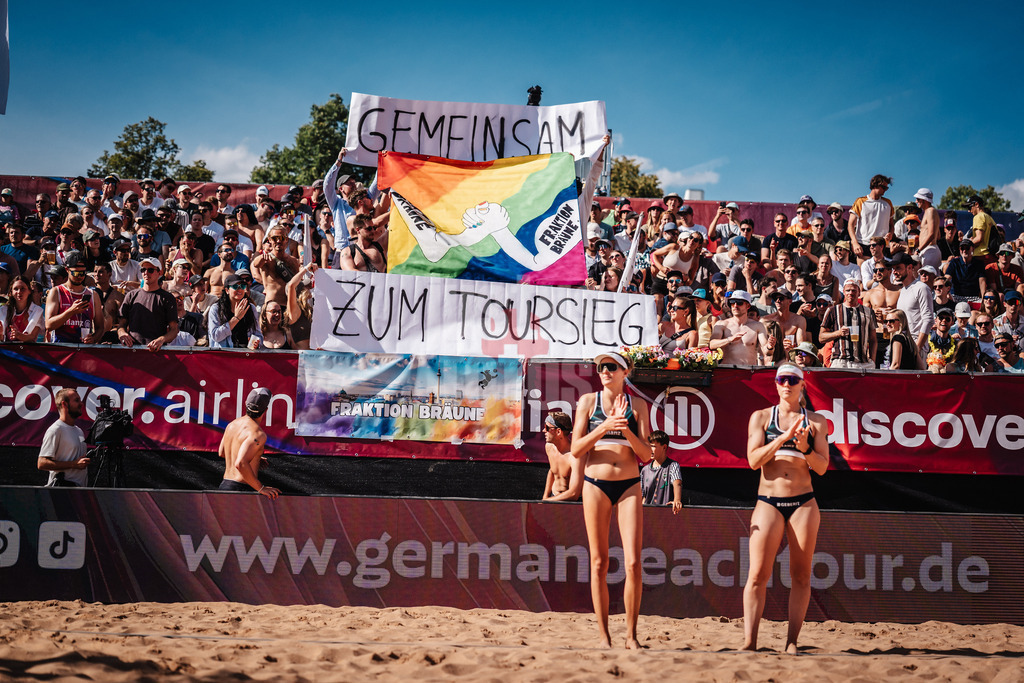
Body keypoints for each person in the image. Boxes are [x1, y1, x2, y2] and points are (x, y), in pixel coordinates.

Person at [743, 363, 829, 654]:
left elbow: (822, 468)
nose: (787, 384)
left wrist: (805, 448)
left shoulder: (816, 422)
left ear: (803, 385)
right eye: (782, 379)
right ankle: (749, 641)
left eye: (793, 380)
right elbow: (753, 461)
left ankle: (792, 642)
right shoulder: (762, 417)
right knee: (757, 575)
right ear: (776, 383)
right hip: (768, 500)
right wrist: (782, 438)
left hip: (803, 502)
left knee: (801, 575)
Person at [568, 351, 651, 649]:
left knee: (632, 563)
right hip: (596, 484)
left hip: (629, 484)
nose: (604, 370)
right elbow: (576, 449)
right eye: (601, 366)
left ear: (624, 372)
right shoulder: (588, 402)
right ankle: (604, 636)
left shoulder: (638, 405)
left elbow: (646, 455)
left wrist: (625, 427)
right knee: (599, 562)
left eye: (611, 366)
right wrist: (604, 426)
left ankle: (631, 636)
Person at [217, 387, 280, 498]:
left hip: (224, 486)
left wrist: (254, 458)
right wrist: (261, 488)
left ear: (246, 404)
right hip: (241, 490)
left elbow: (222, 453)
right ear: (266, 410)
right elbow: (241, 464)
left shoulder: (232, 424)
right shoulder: (257, 434)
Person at [117, 257, 179, 352]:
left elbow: (174, 330)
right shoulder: (131, 295)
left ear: (160, 273)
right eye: (143, 270)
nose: (145, 273)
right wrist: (122, 334)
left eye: (150, 270)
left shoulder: (167, 298)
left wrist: (161, 339)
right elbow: (122, 324)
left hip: (157, 352)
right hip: (132, 351)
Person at [44, 252, 103, 343]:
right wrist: (71, 311)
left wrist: (94, 338)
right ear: (67, 270)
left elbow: (100, 327)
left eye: (83, 273)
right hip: (62, 348)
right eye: (75, 273)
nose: (80, 276)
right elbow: (49, 325)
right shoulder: (56, 292)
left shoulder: (93, 295)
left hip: (84, 349)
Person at [820, 278, 877, 370]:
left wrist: (873, 360)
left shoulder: (868, 312)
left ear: (859, 292)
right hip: (840, 361)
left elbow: (873, 339)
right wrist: (838, 333)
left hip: (863, 362)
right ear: (844, 292)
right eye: (848, 290)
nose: (851, 293)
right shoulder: (833, 310)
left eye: (854, 290)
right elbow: (821, 337)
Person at [37, 388, 90, 487]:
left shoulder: (79, 431)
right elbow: (41, 463)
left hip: (80, 492)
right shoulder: (55, 430)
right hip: (62, 492)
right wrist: (73, 464)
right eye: (76, 400)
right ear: (64, 404)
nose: (81, 404)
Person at [894, 253, 934, 367]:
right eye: (893, 268)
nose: (894, 272)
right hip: (903, 345)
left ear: (910, 268)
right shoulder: (902, 290)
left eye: (898, 268)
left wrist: (917, 348)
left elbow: (928, 320)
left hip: (916, 346)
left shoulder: (922, 288)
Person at [710, 290, 769, 366]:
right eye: (732, 303)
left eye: (739, 303)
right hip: (728, 371)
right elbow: (711, 344)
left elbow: (766, 350)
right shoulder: (722, 324)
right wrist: (729, 339)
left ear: (748, 306)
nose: (735, 306)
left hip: (749, 371)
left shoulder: (757, 326)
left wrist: (770, 347)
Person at [208, 274, 263, 349]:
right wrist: (236, 318)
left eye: (242, 286)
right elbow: (215, 336)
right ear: (227, 290)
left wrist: (256, 343)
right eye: (235, 286)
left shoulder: (251, 308)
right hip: (224, 355)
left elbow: (258, 334)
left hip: (246, 355)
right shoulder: (216, 309)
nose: (239, 289)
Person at [848, 174, 895, 261]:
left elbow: (891, 224)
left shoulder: (888, 203)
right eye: (883, 187)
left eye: (886, 188)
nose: (885, 190)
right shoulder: (860, 201)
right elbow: (850, 224)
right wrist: (854, 243)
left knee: (882, 273)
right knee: (863, 274)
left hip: (883, 245)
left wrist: (891, 234)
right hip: (864, 244)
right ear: (875, 185)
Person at [639, 430, 682, 513]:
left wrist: (677, 500)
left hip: (666, 515)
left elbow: (678, 483)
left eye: (653, 446)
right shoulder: (644, 470)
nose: (650, 449)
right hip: (648, 516)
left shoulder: (673, 465)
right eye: (649, 446)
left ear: (664, 447)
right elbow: (642, 496)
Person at [541, 411, 575, 501]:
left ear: (558, 431)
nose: (543, 430)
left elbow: (574, 493)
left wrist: (547, 501)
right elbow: (552, 471)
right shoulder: (549, 447)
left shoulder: (575, 455)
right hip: (553, 497)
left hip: (571, 502)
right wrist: (545, 496)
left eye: (547, 427)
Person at [1, 276, 45, 342]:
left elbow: (32, 337)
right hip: (7, 351)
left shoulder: (37, 311)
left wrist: (18, 335)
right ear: (11, 292)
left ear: (29, 291)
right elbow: (1, 339)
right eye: (16, 289)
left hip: (27, 351)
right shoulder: (3, 310)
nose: (19, 292)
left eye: (23, 289)